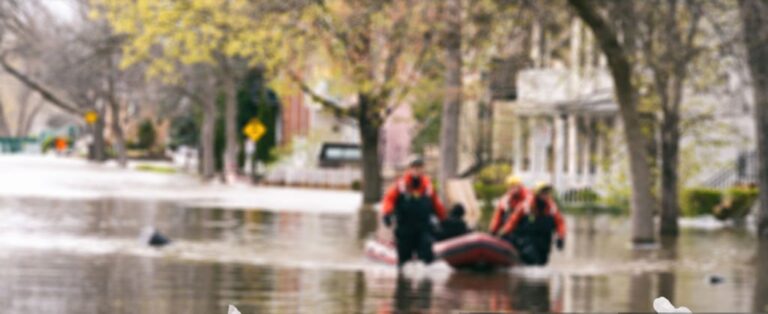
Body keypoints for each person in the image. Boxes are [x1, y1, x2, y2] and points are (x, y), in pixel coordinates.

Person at [381, 157, 446, 267]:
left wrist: (444, 219)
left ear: (423, 169)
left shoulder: (428, 186)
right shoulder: (400, 185)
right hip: (405, 228)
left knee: (426, 255)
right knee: (404, 261)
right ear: (410, 169)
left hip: (423, 227)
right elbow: (389, 199)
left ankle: (425, 281)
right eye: (415, 167)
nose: (417, 170)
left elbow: (436, 204)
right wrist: (387, 213)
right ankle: (403, 281)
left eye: (419, 167)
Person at [498, 182, 565, 265]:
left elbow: (560, 223)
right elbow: (512, 221)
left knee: (541, 263)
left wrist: (561, 237)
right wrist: (504, 233)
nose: (546, 195)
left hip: (544, 243)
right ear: (537, 194)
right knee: (532, 259)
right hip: (527, 241)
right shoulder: (525, 206)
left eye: (547, 192)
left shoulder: (552, 208)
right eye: (543, 192)